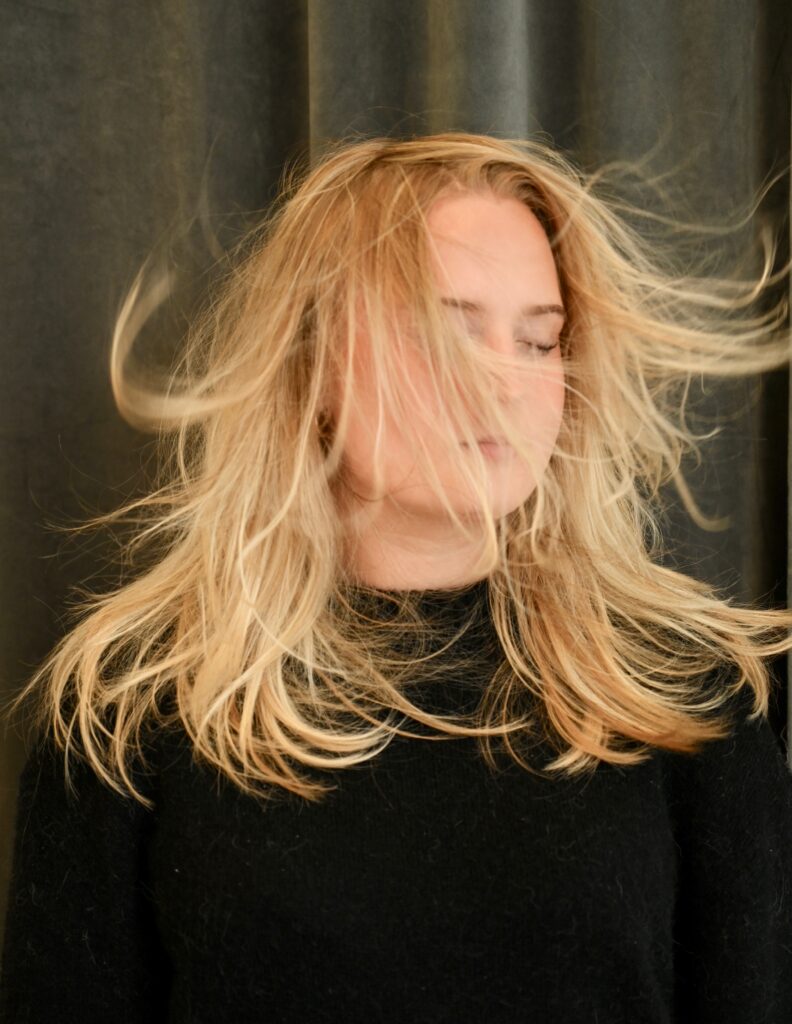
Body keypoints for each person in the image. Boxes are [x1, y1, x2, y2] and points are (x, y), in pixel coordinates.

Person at [2, 131, 792, 1023]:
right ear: (312, 361)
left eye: (540, 341)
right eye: (443, 333)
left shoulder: (685, 695)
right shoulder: (128, 709)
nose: (505, 383)